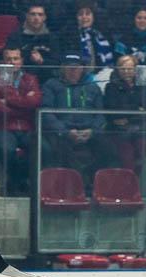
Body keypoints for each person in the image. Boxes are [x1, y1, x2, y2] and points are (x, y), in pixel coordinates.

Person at [41, 54, 111, 185]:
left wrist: (92, 131)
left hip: (88, 130)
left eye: (77, 68)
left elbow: (101, 114)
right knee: (60, 150)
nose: (73, 71)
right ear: (62, 68)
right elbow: (46, 113)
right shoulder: (51, 85)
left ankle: (100, 185)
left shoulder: (92, 87)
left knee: (108, 148)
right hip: (62, 132)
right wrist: (64, 131)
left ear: (82, 69)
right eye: (69, 67)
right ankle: (79, 185)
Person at [0, 44, 41, 194]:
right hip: (4, 126)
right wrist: (23, 103)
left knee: (44, 149)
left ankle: (18, 180)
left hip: (27, 127)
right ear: (3, 61)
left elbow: (35, 102)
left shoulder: (31, 79)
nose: (12, 62)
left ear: (21, 61)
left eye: (16, 58)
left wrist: (8, 100)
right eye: (8, 59)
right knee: (6, 149)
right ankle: (18, 182)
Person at [103, 54, 146, 172]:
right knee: (127, 156)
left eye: (130, 69)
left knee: (142, 152)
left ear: (135, 69)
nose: (126, 72)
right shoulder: (111, 87)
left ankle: (140, 180)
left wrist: (128, 116)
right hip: (119, 131)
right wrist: (137, 109)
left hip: (140, 128)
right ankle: (129, 180)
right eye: (123, 69)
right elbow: (114, 111)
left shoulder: (142, 86)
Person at [6, 4, 60, 82]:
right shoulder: (15, 36)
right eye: (33, 14)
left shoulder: (52, 37)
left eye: (40, 15)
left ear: (44, 17)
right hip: (21, 78)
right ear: (27, 16)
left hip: (47, 78)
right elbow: (9, 59)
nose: (36, 18)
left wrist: (42, 61)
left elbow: (57, 62)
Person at [67, 0, 113, 74]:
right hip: (80, 75)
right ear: (76, 17)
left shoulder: (102, 34)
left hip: (104, 74)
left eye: (88, 14)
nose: (84, 17)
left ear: (93, 16)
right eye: (80, 14)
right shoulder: (69, 36)